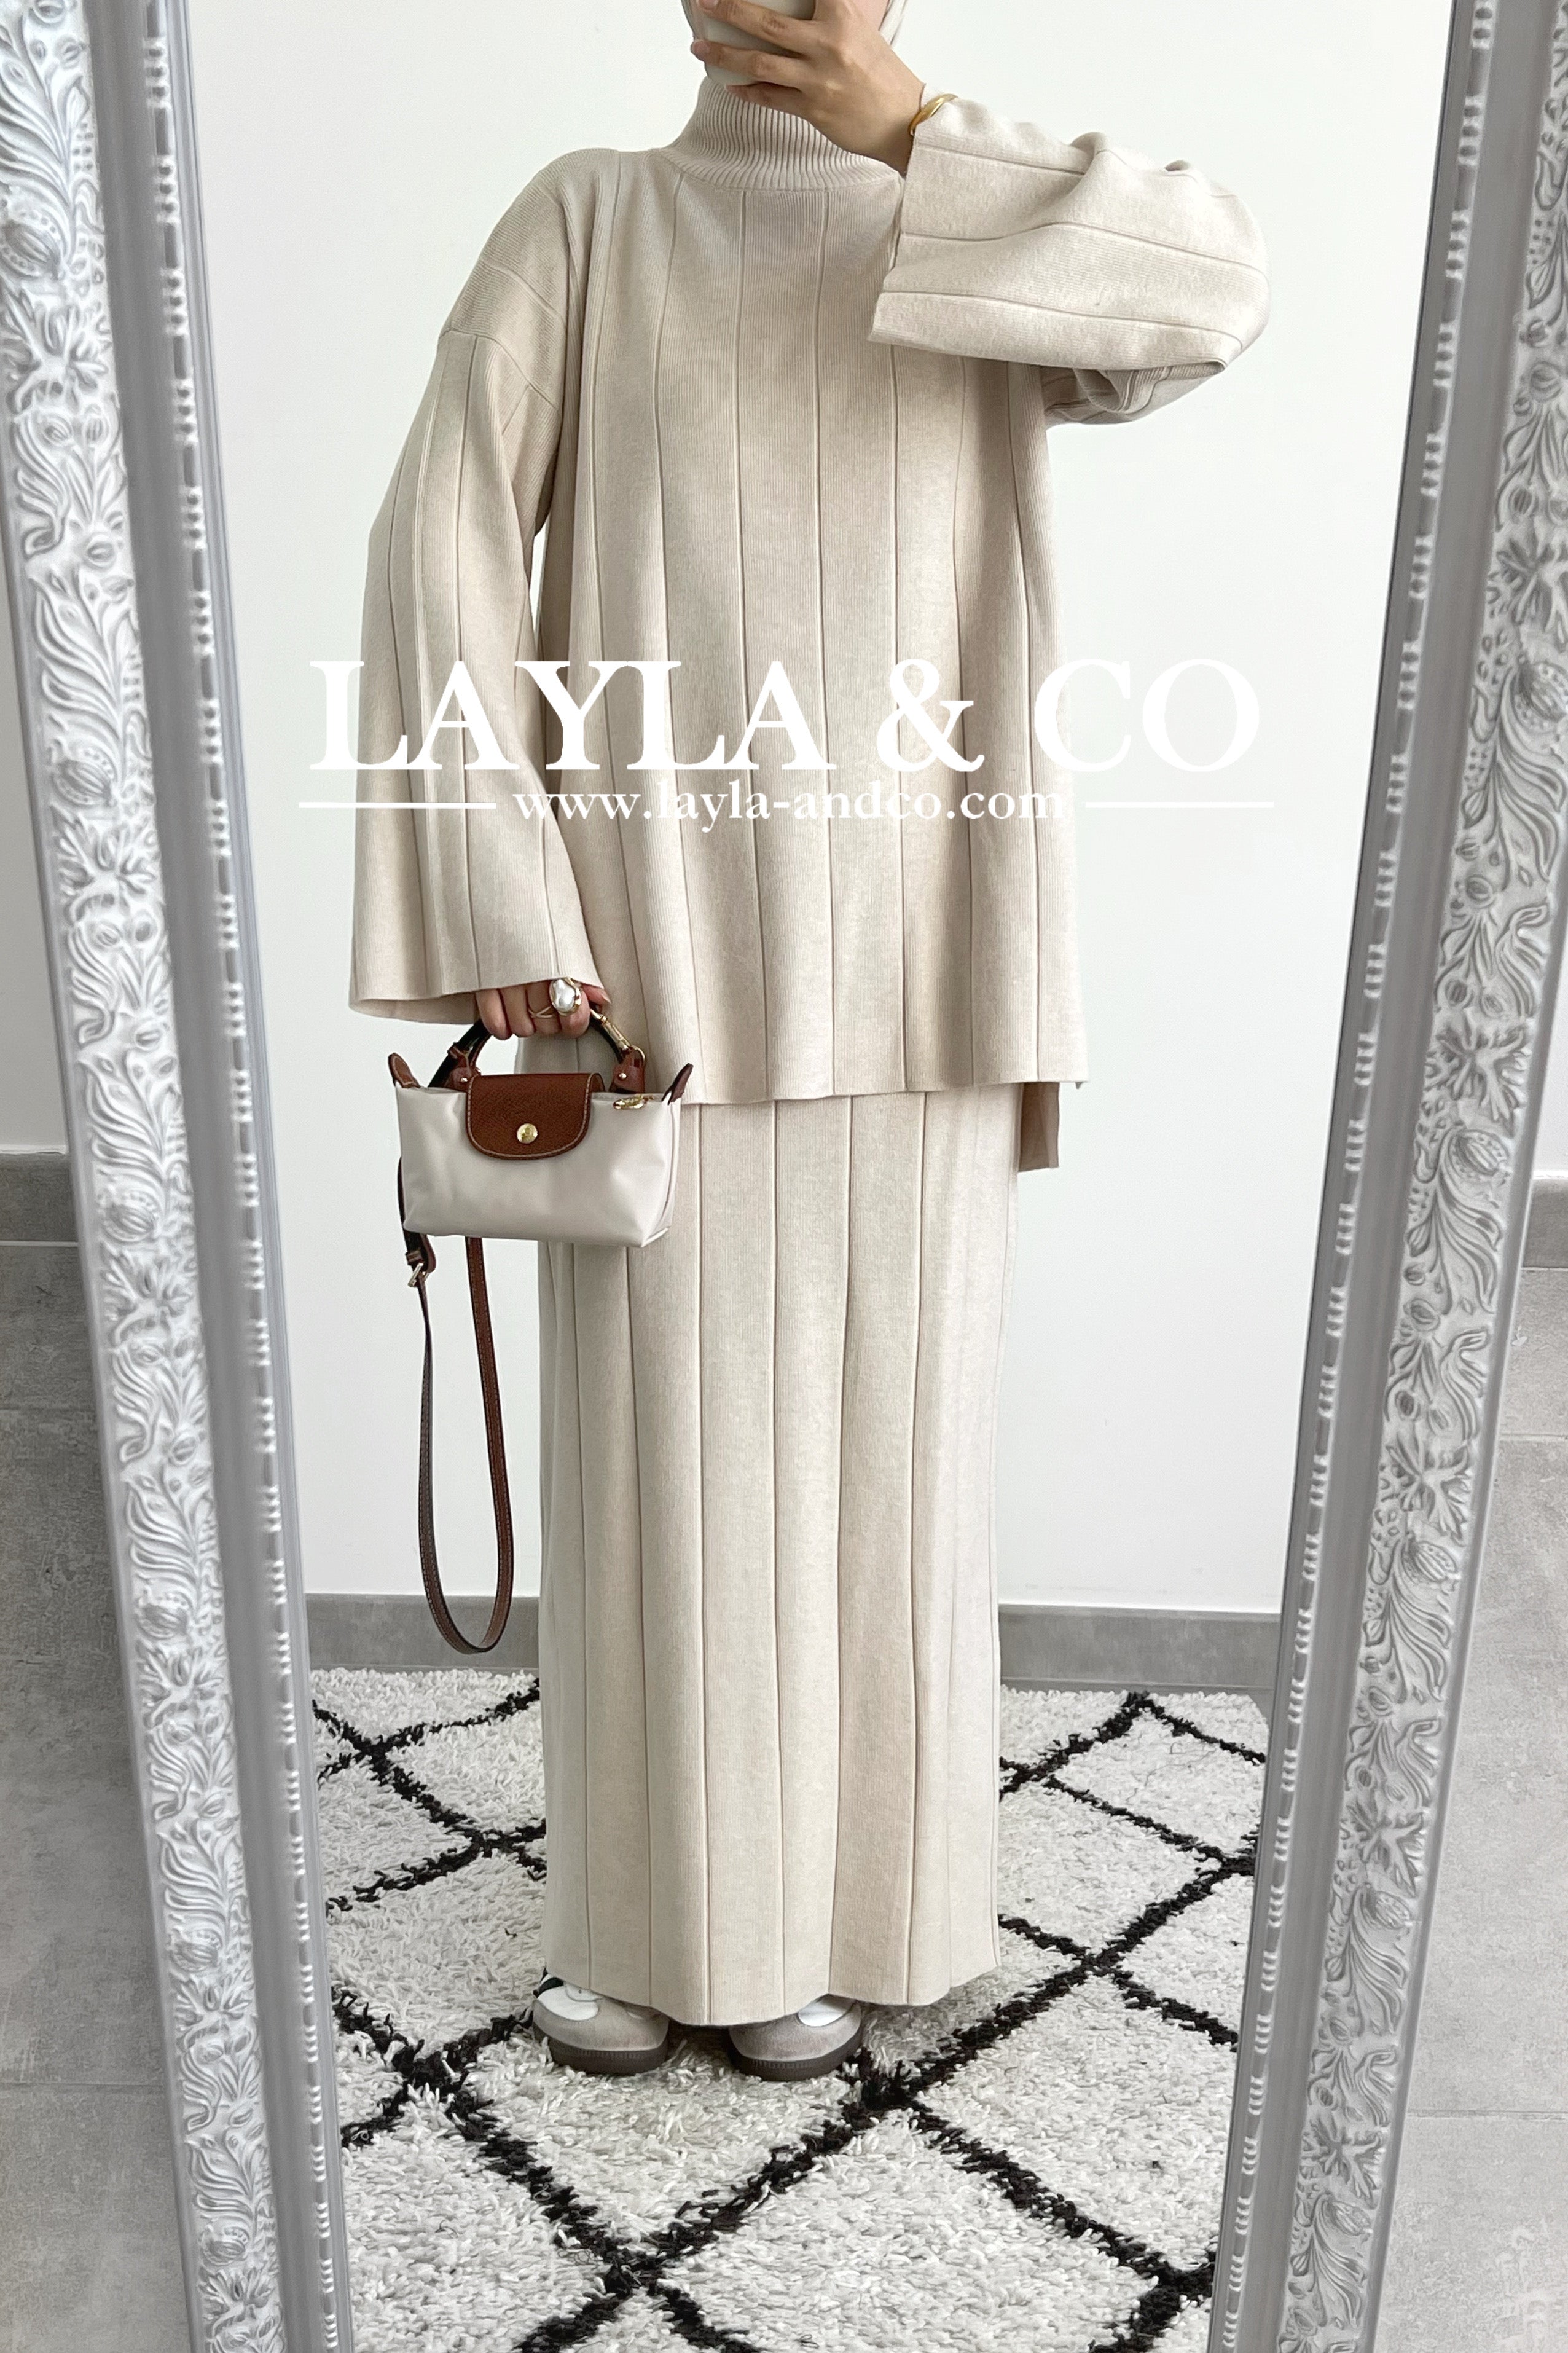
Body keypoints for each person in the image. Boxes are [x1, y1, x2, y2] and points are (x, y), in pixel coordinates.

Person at [351, 0, 1267, 2081]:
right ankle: (656, 1922)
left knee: (890, 1474)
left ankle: (867, 1914)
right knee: (662, 1481)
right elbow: (440, 547)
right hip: (649, 979)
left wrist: (916, 127)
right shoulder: (589, 223)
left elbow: (1216, 294)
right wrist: (503, 903)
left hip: (926, 964)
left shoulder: (982, 227)